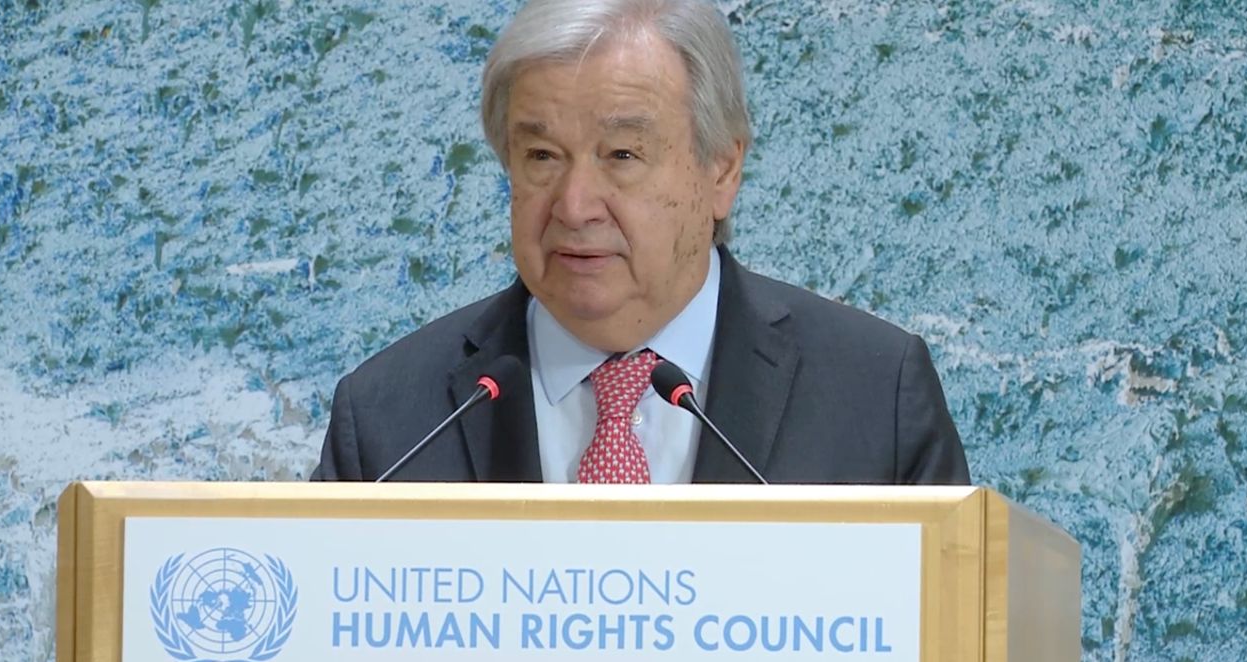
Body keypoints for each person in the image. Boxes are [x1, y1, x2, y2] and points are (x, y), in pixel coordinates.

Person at [312, 0, 970, 485]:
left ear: (722, 171)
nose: (574, 206)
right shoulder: (389, 424)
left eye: (622, 154)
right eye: (541, 156)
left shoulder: (876, 398)